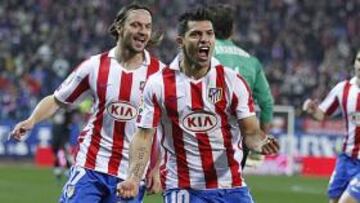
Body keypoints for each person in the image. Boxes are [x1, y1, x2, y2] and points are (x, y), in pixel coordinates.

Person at [117, 7, 279, 203]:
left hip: (231, 186)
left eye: (209, 34)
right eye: (196, 34)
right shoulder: (159, 83)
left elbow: (251, 133)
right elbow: (144, 136)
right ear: (180, 41)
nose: (204, 39)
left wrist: (261, 142)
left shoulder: (232, 81)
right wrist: (134, 178)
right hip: (184, 187)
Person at [10, 4, 164, 203]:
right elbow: (58, 100)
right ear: (119, 27)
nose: (143, 31)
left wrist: (158, 168)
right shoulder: (95, 66)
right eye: (136, 25)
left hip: (132, 175)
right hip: (91, 166)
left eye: (147, 26)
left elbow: (168, 129)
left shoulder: (160, 74)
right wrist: (31, 120)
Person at [209, 4, 274, 168]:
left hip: (206, 132)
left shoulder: (202, 53)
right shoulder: (251, 61)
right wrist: (261, 140)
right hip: (240, 137)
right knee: (231, 184)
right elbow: (267, 104)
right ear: (232, 30)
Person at [303, 49, 360, 203]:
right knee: (333, 199)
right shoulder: (343, 89)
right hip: (347, 159)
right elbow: (322, 114)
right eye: (358, 60)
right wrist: (313, 110)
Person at [51, 109, 74, 182]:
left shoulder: (67, 114)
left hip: (63, 139)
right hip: (56, 138)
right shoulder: (56, 113)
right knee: (57, 155)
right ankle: (58, 173)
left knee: (67, 155)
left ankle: (68, 172)